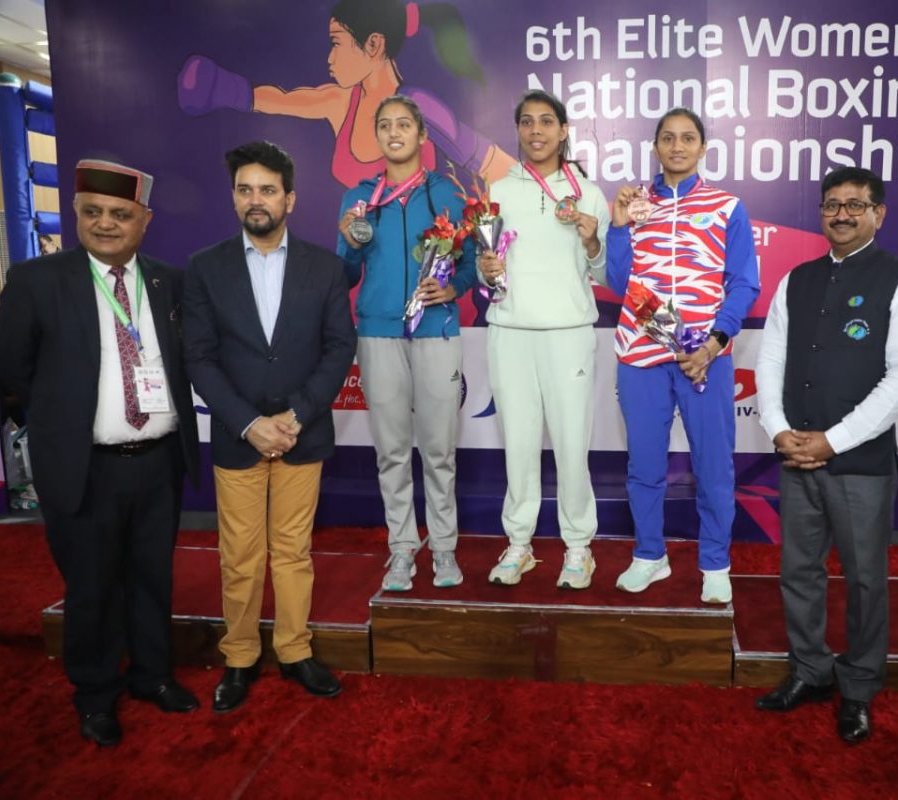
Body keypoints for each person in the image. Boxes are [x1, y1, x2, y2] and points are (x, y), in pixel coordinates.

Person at [0, 160, 200, 747]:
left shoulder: (168, 282)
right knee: (90, 586)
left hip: (159, 461)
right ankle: (94, 693)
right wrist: (59, 420)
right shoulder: (37, 281)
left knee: (152, 577)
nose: (105, 223)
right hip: (83, 466)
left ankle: (152, 676)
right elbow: (11, 369)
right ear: (76, 213)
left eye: (120, 214)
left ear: (144, 220)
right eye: (92, 212)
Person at [752, 167, 898, 743]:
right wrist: (779, 429)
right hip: (796, 455)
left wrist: (833, 440)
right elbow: (771, 360)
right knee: (798, 572)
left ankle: (858, 688)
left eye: (856, 205)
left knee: (865, 580)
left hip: (859, 463)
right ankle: (809, 670)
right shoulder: (796, 280)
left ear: (879, 213)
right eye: (832, 205)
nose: (842, 214)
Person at [184, 141, 357, 713]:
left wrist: (295, 415)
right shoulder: (206, 268)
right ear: (234, 198)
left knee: (292, 552)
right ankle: (238, 657)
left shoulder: (325, 267)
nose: (255, 200)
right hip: (238, 437)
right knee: (239, 555)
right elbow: (199, 357)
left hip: (301, 434)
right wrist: (250, 423)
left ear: (290, 199)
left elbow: (339, 347)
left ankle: (294, 650)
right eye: (245, 190)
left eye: (267, 189)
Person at [605, 107, 760, 604]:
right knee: (644, 464)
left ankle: (715, 562)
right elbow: (619, 282)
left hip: (704, 358)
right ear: (654, 147)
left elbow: (744, 283)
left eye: (687, 138)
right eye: (668, 138)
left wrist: (713, 344)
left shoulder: (726, 206)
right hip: (640, 354)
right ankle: (650, 555)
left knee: (713, 466)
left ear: (702, 148)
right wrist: (617, 227)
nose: (677, 146)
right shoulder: (636, 204)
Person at [337, 94, 476, 592]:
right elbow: (345, 274)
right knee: (392, 449)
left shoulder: (447, 194)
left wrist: (454, 290)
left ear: (421, 135)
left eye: (403, 124)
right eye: (385, 125)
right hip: (378, 333)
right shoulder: (359, 199)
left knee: (438, 449)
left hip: (436, 330)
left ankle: (443, 548)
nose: (394, 132)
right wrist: (351, 245)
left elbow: (471, 263)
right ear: (376, 135)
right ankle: (401, 549)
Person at [478, 90, 609, 590]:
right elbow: (486, 268)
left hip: (568, 332)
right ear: (517, 130)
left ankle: (578, 548)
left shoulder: (588, 193)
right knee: (518, 445)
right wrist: (486, 268)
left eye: (547, 121)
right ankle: (519, 544)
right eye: (527, 122)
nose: (536, 131)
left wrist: (592, 239)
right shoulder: (496, 190)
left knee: (573, 446)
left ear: (563, 130)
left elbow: (604, 272)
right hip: (509, 331)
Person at [176, 0, 512, 188]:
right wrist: (225, 89)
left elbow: (495, 166)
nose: (330, 58)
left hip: (418, 273)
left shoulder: (419, 106)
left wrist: (538, 201)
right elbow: (278, 99)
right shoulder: (339, 101)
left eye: (337, 43)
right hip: (360, 272)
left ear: (374, 44)